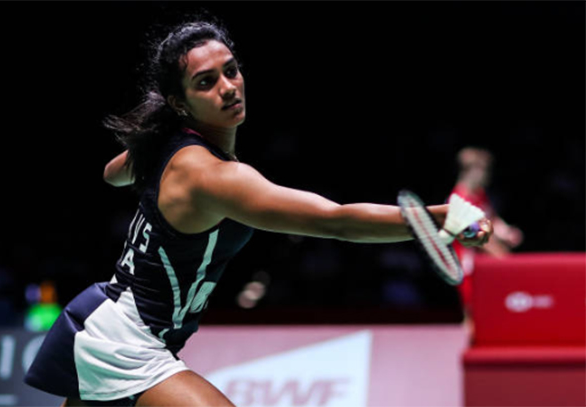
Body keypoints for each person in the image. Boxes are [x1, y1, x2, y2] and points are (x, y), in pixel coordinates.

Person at [25, 20, 493, 407]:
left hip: (117, 323)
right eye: (206, 82)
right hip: (128, 340)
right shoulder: (212, 176)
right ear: (179, 102)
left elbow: (112, 175)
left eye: (231, 71)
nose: (228, 88)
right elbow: (334, 220)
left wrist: (152, 142)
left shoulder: (170, 147)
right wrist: (442, 217)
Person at [451, 147, 523, 316]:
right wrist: (502, 256)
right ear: (471, 171)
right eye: (484, 170)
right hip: (467, 265)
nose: (487, 175)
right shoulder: (459, 200)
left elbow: (491, 219)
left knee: (491, 310)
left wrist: (507, 232)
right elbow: (476, 237)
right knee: (474, 313)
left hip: (485, 264)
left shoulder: (479, 194)